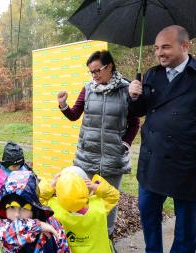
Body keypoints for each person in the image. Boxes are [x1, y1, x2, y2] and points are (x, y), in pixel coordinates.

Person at [128, 25, 196, 253]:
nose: (159, 53)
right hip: (153, 162)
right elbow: (140, 111)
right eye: (156, 48)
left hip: (187, 164)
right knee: (148, 214)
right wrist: (134, 97)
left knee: (185, 226)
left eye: (166, 47)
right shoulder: (153, 74)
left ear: (185, 46)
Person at [56, 50, 140, 235]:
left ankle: (106, 236)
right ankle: (85, 236)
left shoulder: (127, 89)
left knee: (108, 199)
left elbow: (134, 123)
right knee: (82, 196)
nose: (93, 76)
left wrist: (124, 145)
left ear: (109, 66)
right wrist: (63, 105)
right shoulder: (88, 88)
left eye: (96, 71)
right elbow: (74, 114)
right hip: (87, 156)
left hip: (113, 157)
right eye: (91, 72)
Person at [40, 166, 120, 253]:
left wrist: (50, 186)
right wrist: (96, 187)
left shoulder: (53, 209)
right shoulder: (99, 206)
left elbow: (37, 198)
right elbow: (114, 195)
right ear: (86, 187)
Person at [0, 170, 70, 253]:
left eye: (24, 209)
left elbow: (63, 248)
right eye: (12, 207)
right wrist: (38, 226)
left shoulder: (53, 224)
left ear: (34, 208)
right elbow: (8, 236)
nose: (16, 214)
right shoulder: (2, 225)